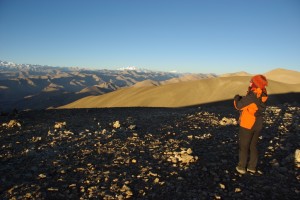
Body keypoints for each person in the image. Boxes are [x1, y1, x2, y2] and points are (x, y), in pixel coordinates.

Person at [234, 75, 268, 174]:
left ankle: (241, 167)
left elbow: (239, 106)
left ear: (255, 83)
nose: (250, 82)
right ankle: (252, 167)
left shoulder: (253, 95)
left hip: (248, 124)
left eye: (251, 81)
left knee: (244, 146)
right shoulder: (263, 94)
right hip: (258, 124)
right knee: (253, 146)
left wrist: (236, 98)